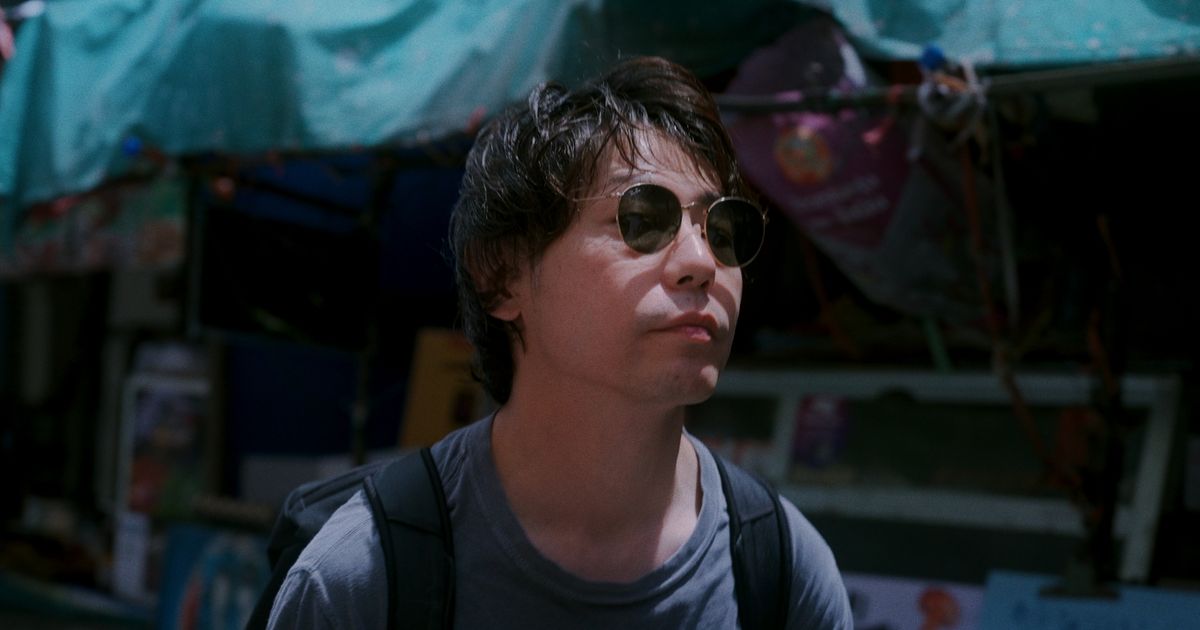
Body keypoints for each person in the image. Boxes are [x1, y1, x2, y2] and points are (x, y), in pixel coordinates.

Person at [268, 55, 852, 628]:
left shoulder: (783, 571)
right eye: (642, 219)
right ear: (501, 276)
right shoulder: (362, 579)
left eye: (723, 229)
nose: (702, 262)